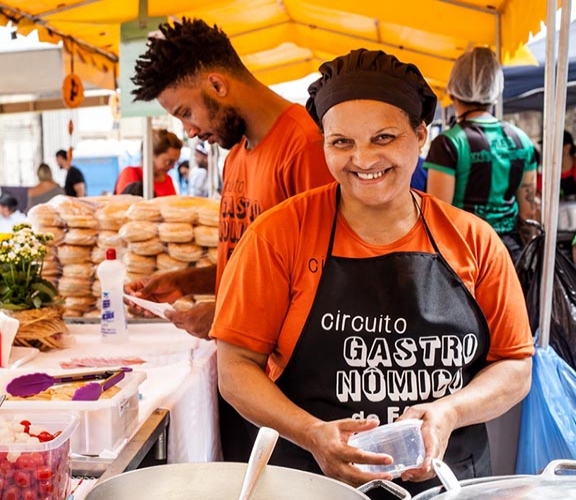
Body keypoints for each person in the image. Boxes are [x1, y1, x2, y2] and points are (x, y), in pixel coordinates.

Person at [211, 48, 534, 494]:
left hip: (447, 481)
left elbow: (515, 365)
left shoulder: (473, 239)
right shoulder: (278, 235)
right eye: (341, 142)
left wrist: (452, 411)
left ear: (420, 135)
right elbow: (235, 368)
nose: (363, 159)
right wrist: (310, 432)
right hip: (313, 483)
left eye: (383, 138)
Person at [126, 17, 334, 464]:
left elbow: (320, 282)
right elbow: (251, 260)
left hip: (291, 395)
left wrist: (224, 314)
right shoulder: (236, 155)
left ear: (217, 84)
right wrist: (191, 280)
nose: (188, 131)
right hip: (242, 380)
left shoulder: (306, 146)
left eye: (185, 112)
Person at [425, 47, 537, 263]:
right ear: (496, 91)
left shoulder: (449, 143)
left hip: (464, 254)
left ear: (453, 90)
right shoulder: (522, 140)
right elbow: (528, 213)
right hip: (509, 254)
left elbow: (439, 218)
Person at [114, 129, 182, 197]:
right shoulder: (130, 173)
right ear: (151, 154)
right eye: (169, 162)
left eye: (175, 163)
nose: (172, 167)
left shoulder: (168, 180)